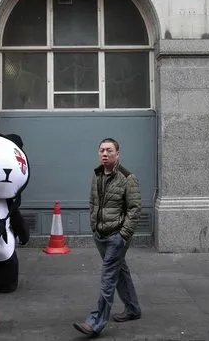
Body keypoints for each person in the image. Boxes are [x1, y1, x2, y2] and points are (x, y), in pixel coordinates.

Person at [73, 138, 142, 337]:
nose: (105, 154)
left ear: (117, 154)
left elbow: (135, 209)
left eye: (109, 150)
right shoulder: (96, 176)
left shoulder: (128, 178)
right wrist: (93, 225)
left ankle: (95, 322)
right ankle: (133, 309)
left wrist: (123, 235)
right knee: (120, 271)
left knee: (108, 277)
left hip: (116, 237)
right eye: (102, 150)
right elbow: (92, 202)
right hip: (100, 235)